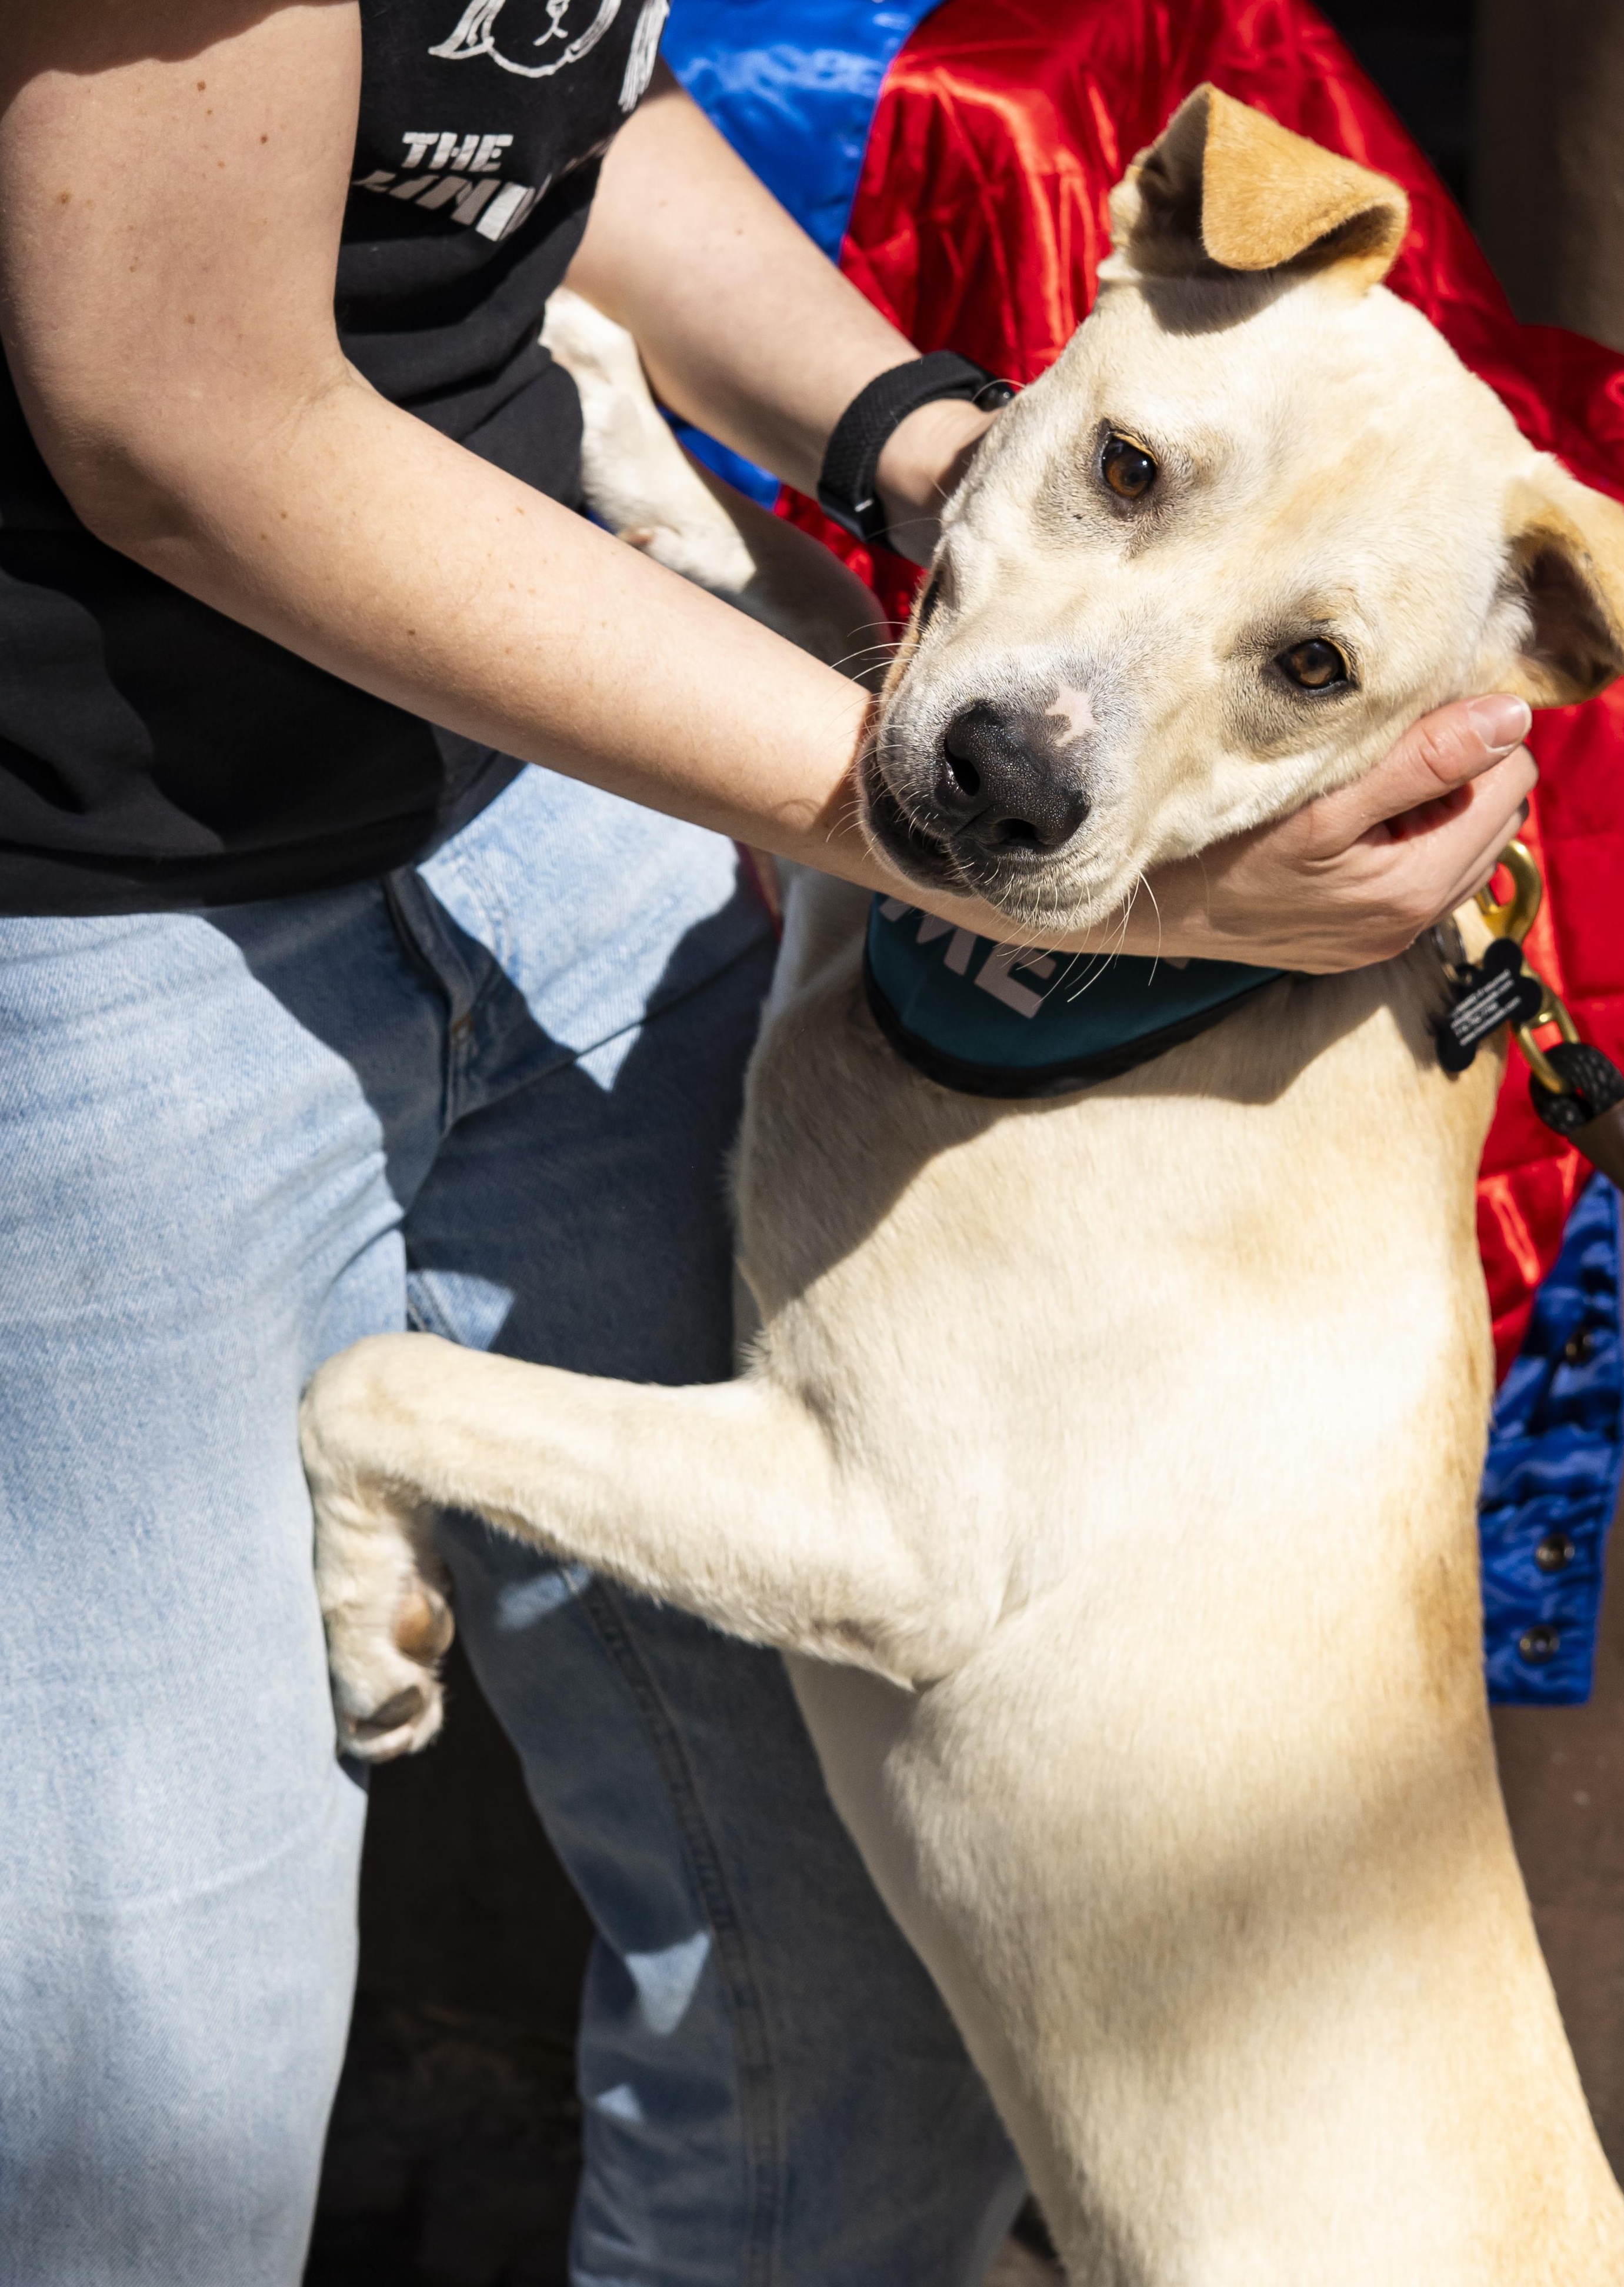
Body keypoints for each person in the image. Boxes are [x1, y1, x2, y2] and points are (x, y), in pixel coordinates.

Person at [0, 6, 1538, 2282]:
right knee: (163, 2119)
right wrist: (981, 845)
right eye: (1125, 474)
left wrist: (917, 435)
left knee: (850, 2015)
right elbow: (172, 403)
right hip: (92, 894)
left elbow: (531, 84)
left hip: (551, 795)